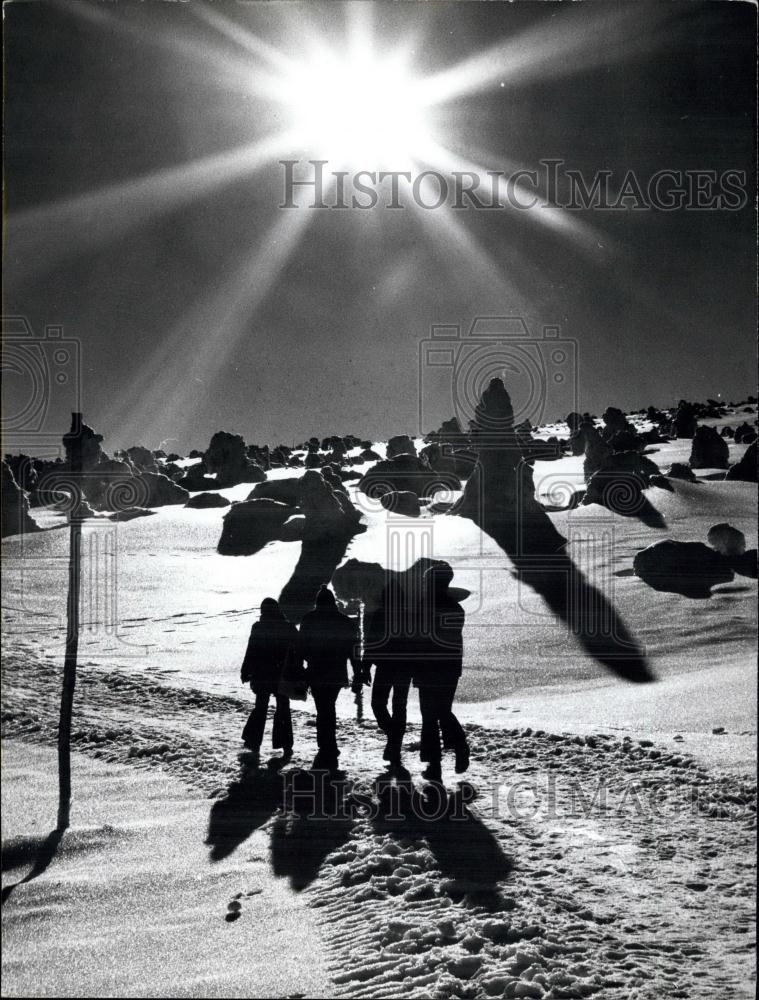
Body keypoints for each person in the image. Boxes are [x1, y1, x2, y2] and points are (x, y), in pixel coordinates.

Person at [412, 565, 469, 782]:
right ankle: (454, 749)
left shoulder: (425, 607)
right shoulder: (455, 608)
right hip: (450, 667)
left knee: (431, 715)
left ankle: (437, 762)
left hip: (428, 667)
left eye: (427, 581)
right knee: (442, 710)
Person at [298, 585, 360, 771]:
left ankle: (326, 745)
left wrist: (300, 669)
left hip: (316, 671)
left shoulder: (309, 619)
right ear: (333, 601)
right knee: (328, 707)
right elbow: (353, 651)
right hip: (336, 672)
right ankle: (329, 745)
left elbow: (301, 647)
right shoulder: (345, 621)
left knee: (322, 708)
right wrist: (358, 673)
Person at [240, 598, 298, 759]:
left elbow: (251, 650)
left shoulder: (258, 627)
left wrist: (245, 670)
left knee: (261, 707)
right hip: (282, 674)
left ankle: (253, 741)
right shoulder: (288, 627)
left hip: (262, 674)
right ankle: (285, 744)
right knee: (283, 708)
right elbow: (300, 648)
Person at [364, 584, 412, 769]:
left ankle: (393, 739)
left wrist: (365, 667)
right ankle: (395, 741)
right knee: (399, 706)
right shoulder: (408, 616)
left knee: (378, 703)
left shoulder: (380, 615)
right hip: (404, 667)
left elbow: (371, 642)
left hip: (385, 666)